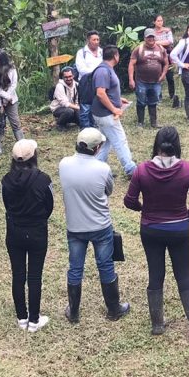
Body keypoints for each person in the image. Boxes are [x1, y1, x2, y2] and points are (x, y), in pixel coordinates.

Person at [124, 127, 189, 339]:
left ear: (156, 145)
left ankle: (157, 325)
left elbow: (129, 201)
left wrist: (144, 210)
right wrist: (187, 218)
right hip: (179, 230)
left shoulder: (141, 170)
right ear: (177, 146)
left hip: (150, 229)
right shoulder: (187, 169)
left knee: (155, 275)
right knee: (183, 275)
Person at [59, 127, 130, 322]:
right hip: (100, 226)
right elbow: (108, 191)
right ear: (97, 148)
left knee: (75, 268)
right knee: (105, 265)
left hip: (75, 227)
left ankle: (73, 312)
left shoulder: (64, 164)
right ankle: (114, 310)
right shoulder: (103, 169)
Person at [2, 139, 55, 332]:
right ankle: (34, 320)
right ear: (34, 157)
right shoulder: (43, 179)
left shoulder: (6, 180)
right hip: (37, 232)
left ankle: (21, 317)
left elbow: (6, 204)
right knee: (35, 276)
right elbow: (49, 205)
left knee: (18, 274)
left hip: (14, 231)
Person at [92, 46, 137, 178]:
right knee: (120, 140)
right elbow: (100, 93)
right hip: (106, 114)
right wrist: (113, 108)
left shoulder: (107, 69)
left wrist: (118, 99)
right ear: (115, 56)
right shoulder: (103, 71)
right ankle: (130, 168)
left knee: (106, 141)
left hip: (104, 113)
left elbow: (107, 90)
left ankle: (97, 167)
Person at [128, 28, 168, 128]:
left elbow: (166, 63)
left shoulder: (161, 49)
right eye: (148, 37)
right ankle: (140, 122)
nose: (151, 39)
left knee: (153, 102)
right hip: (142, 81)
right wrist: (131, 79)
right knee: (141, 101)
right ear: (145, 38)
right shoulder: (139, 49)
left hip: (156, 81)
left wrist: (163, 75)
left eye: (152, 36)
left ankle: (153, 123)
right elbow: (131, 64)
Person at [0, 49, 24, 156]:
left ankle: (22, 145)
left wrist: (7, 98)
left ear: (3, 61)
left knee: (15, 123)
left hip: (11, 100)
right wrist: (6, 96)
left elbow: (13, 85)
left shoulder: (11, 69)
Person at [75, 31, 104, 128]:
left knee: (96, 105)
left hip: (99, 82)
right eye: (94, 40)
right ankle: (85, 129)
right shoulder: (81, 53)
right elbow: (82, 69)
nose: (96, 42)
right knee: (85, 107)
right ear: (88, 40)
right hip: (86, 82)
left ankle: (95, 128)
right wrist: (97, 72)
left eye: (98, 40)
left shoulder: (101, 52)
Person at [152, 15, 179, 109]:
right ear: (154, 22)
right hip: (155, 57)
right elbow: (150, 42)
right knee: (157, 77)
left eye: (161, 20)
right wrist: (162, 42)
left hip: (167, 56)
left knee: (170, 77)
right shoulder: (151, 32)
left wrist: (157, 43)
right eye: (158, 21)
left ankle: (172, 95)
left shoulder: (167, 30)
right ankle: (158, 97)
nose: (160, 22)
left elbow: (170, 41)